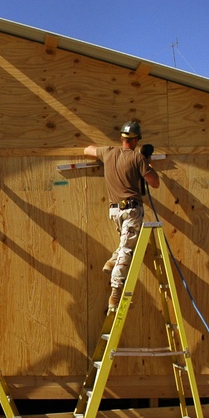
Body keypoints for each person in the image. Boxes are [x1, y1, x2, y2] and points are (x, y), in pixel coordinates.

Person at [83, 120, 160, 310]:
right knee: (127, 250)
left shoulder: (108, 152)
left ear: (122, 138)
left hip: (115, 211)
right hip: (132, 210)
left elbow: (88, 149)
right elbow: (154, 182)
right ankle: (115, 294)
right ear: (136, 140)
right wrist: (146, 161)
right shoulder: (137, 158)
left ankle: (111, 261)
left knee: (125, 242)